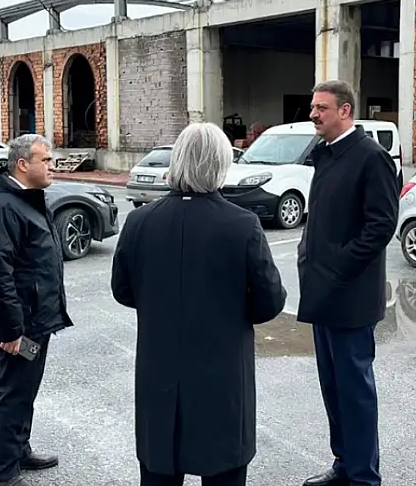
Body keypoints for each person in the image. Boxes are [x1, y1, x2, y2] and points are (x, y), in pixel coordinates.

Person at [112, 122, 287, 486]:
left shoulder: (140, 221)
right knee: (223, 467)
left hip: (159, 370)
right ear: (221, 165)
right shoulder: (242, 225)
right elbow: (269, 301)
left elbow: (123, 290)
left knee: (159, 468)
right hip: (222, 374)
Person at [297, 80, 399, 486]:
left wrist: (338, 266)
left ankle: (363, 477)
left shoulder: (371, 157)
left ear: (345, 110)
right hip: (323, 293)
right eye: (313, 107)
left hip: (351, 296)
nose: (313, 114)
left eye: (321, 108)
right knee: (333, 389)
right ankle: (344, 465)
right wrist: (308, 256)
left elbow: (382, 226)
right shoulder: (326, 154)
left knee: (355, 392)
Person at [0, 133, 71, 486]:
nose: (52, 166)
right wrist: (11, 329)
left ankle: (20, 450)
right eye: (45, 160)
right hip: (20, 326)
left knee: (26, 389)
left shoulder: (28, 198)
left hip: (37, 319)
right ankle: (5, 471)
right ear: (22, 164)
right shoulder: (1, 206)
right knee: (15, 391)